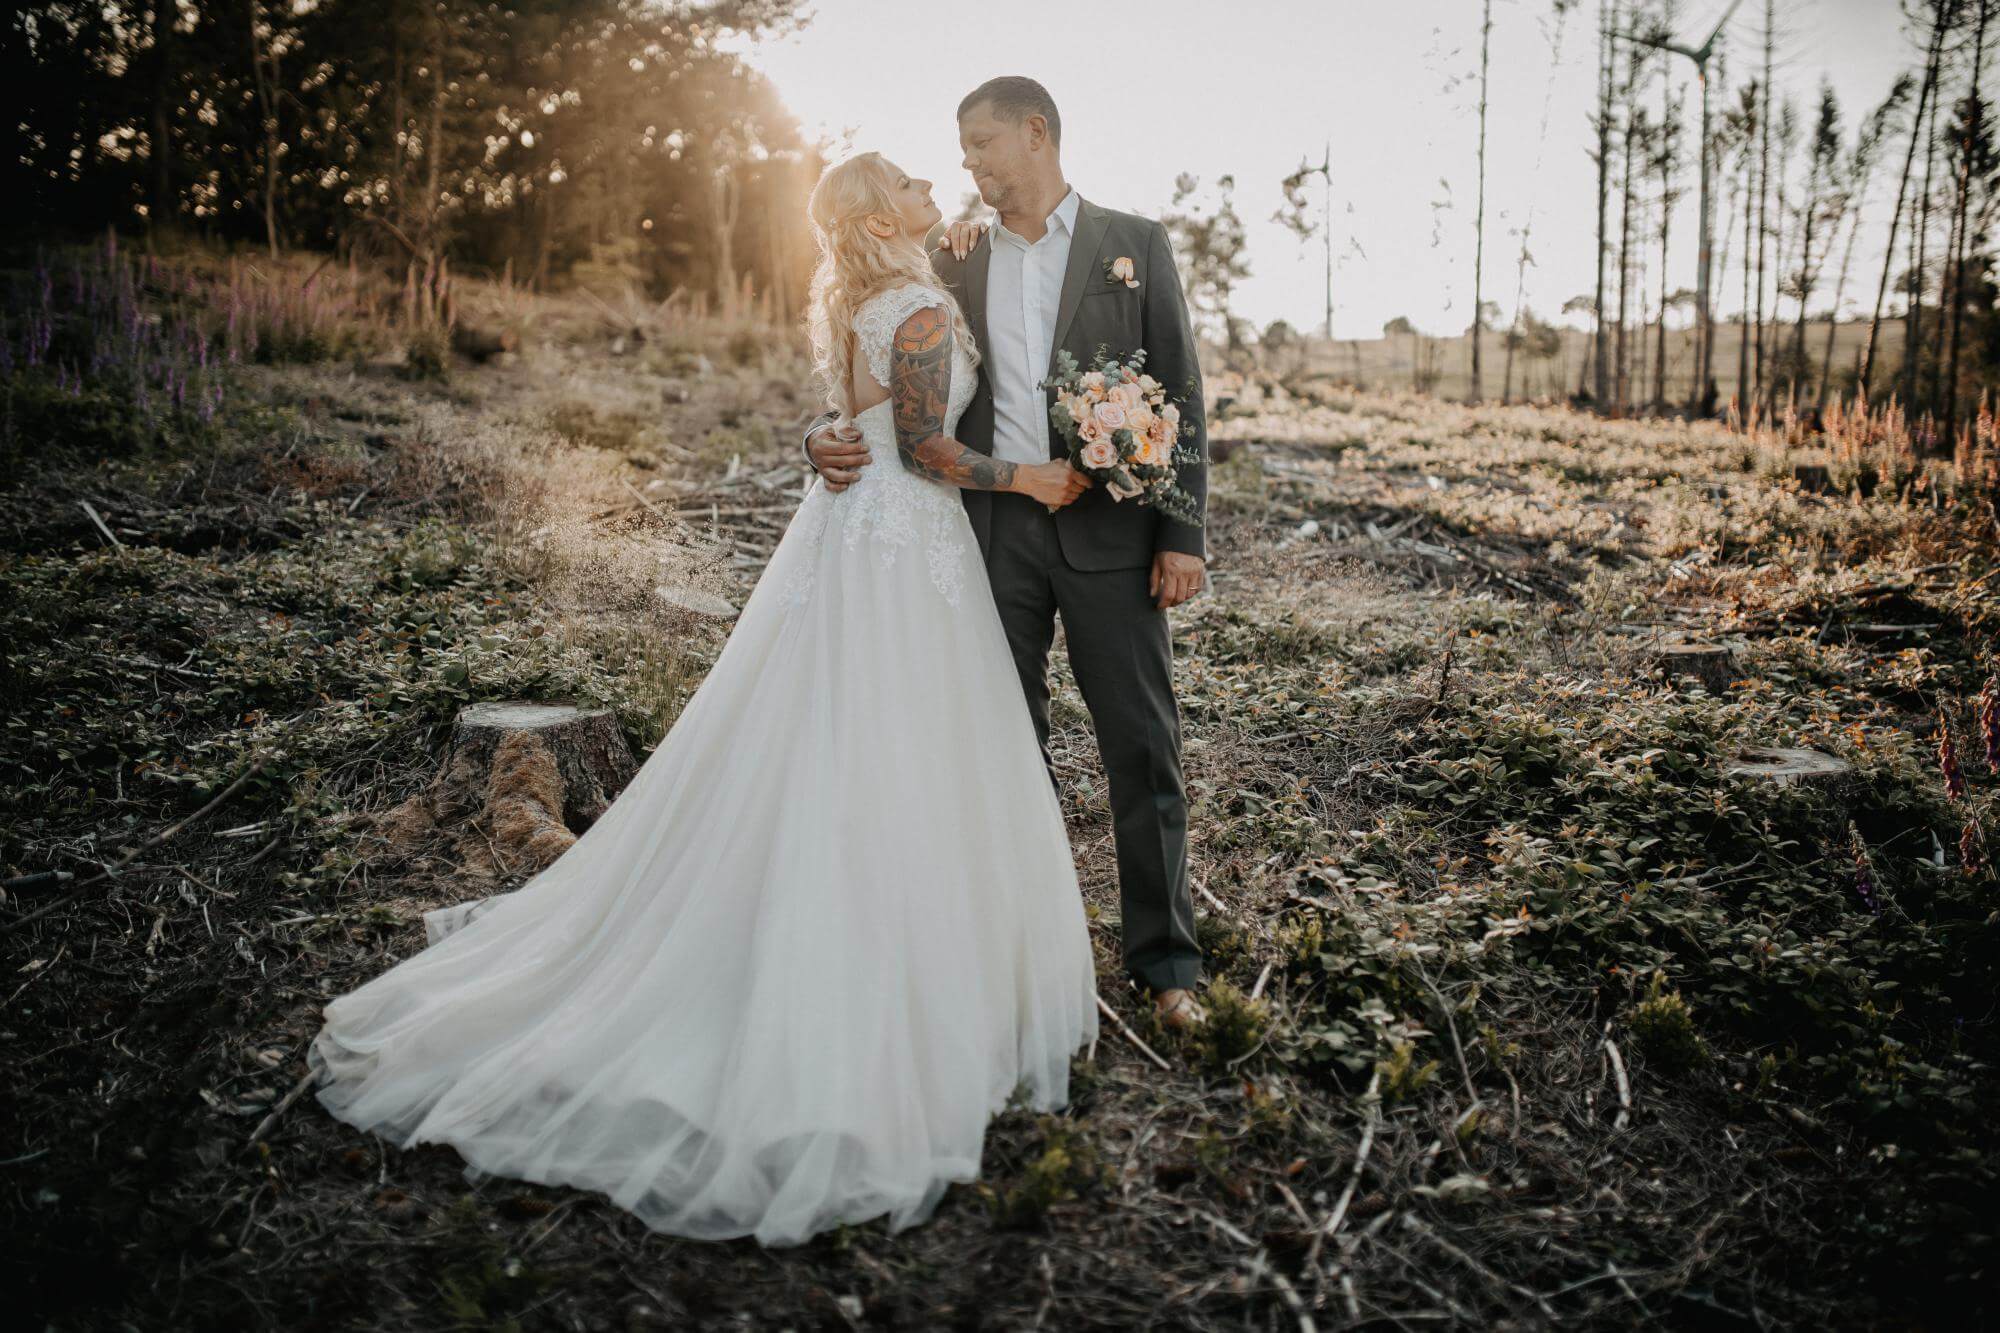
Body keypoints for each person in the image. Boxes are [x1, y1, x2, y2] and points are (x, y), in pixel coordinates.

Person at [306, 150, 1100, 1248]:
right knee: (890, 736)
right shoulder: (911, 304)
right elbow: (921, 449)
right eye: (911, 184)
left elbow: (853, 421)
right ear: (878, 222)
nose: (932, 188)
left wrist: (837, 427)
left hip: (851, 539)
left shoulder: (875, 296)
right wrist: (1029, 478)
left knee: (832, 732)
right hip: (903, 541)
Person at [805, 75, 1211, 1028]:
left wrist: (1182, 533)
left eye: (983, 147)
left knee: (1143, 748)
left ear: (1037, 134)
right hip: (987, 536)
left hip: (1112, 535)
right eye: (959, 156)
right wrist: (815, 435)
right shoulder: (951, 262)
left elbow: (1182, 390)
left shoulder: (1135, 245)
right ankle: (1015, 954)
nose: (971, 169)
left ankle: (1168, 969)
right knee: (1000, 750)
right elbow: (879, 376)